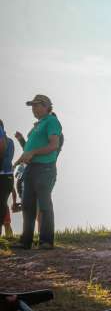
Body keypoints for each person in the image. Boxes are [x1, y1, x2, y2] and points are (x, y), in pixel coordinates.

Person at [13, 94, 62, 250]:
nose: (33, 109)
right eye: (32, 106)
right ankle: (25, 241)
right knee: (27, 204)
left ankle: (46, 241)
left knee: (44, 205)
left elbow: (54, 145)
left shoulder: (52, 121)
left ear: (46, 106)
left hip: (45, 168)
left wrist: (33, 153)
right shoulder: (38, 125)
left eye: (36, 105)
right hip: (30, 168)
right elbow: (30, 147)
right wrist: (22, 156)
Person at [0, 120, 14, 238]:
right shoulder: (10, 141)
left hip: (3, 175)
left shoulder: (6, 142)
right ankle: (8, 233)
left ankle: (7, 231)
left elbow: (5, 160)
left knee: (2, 204)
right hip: (8, 175)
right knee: (3, 203)